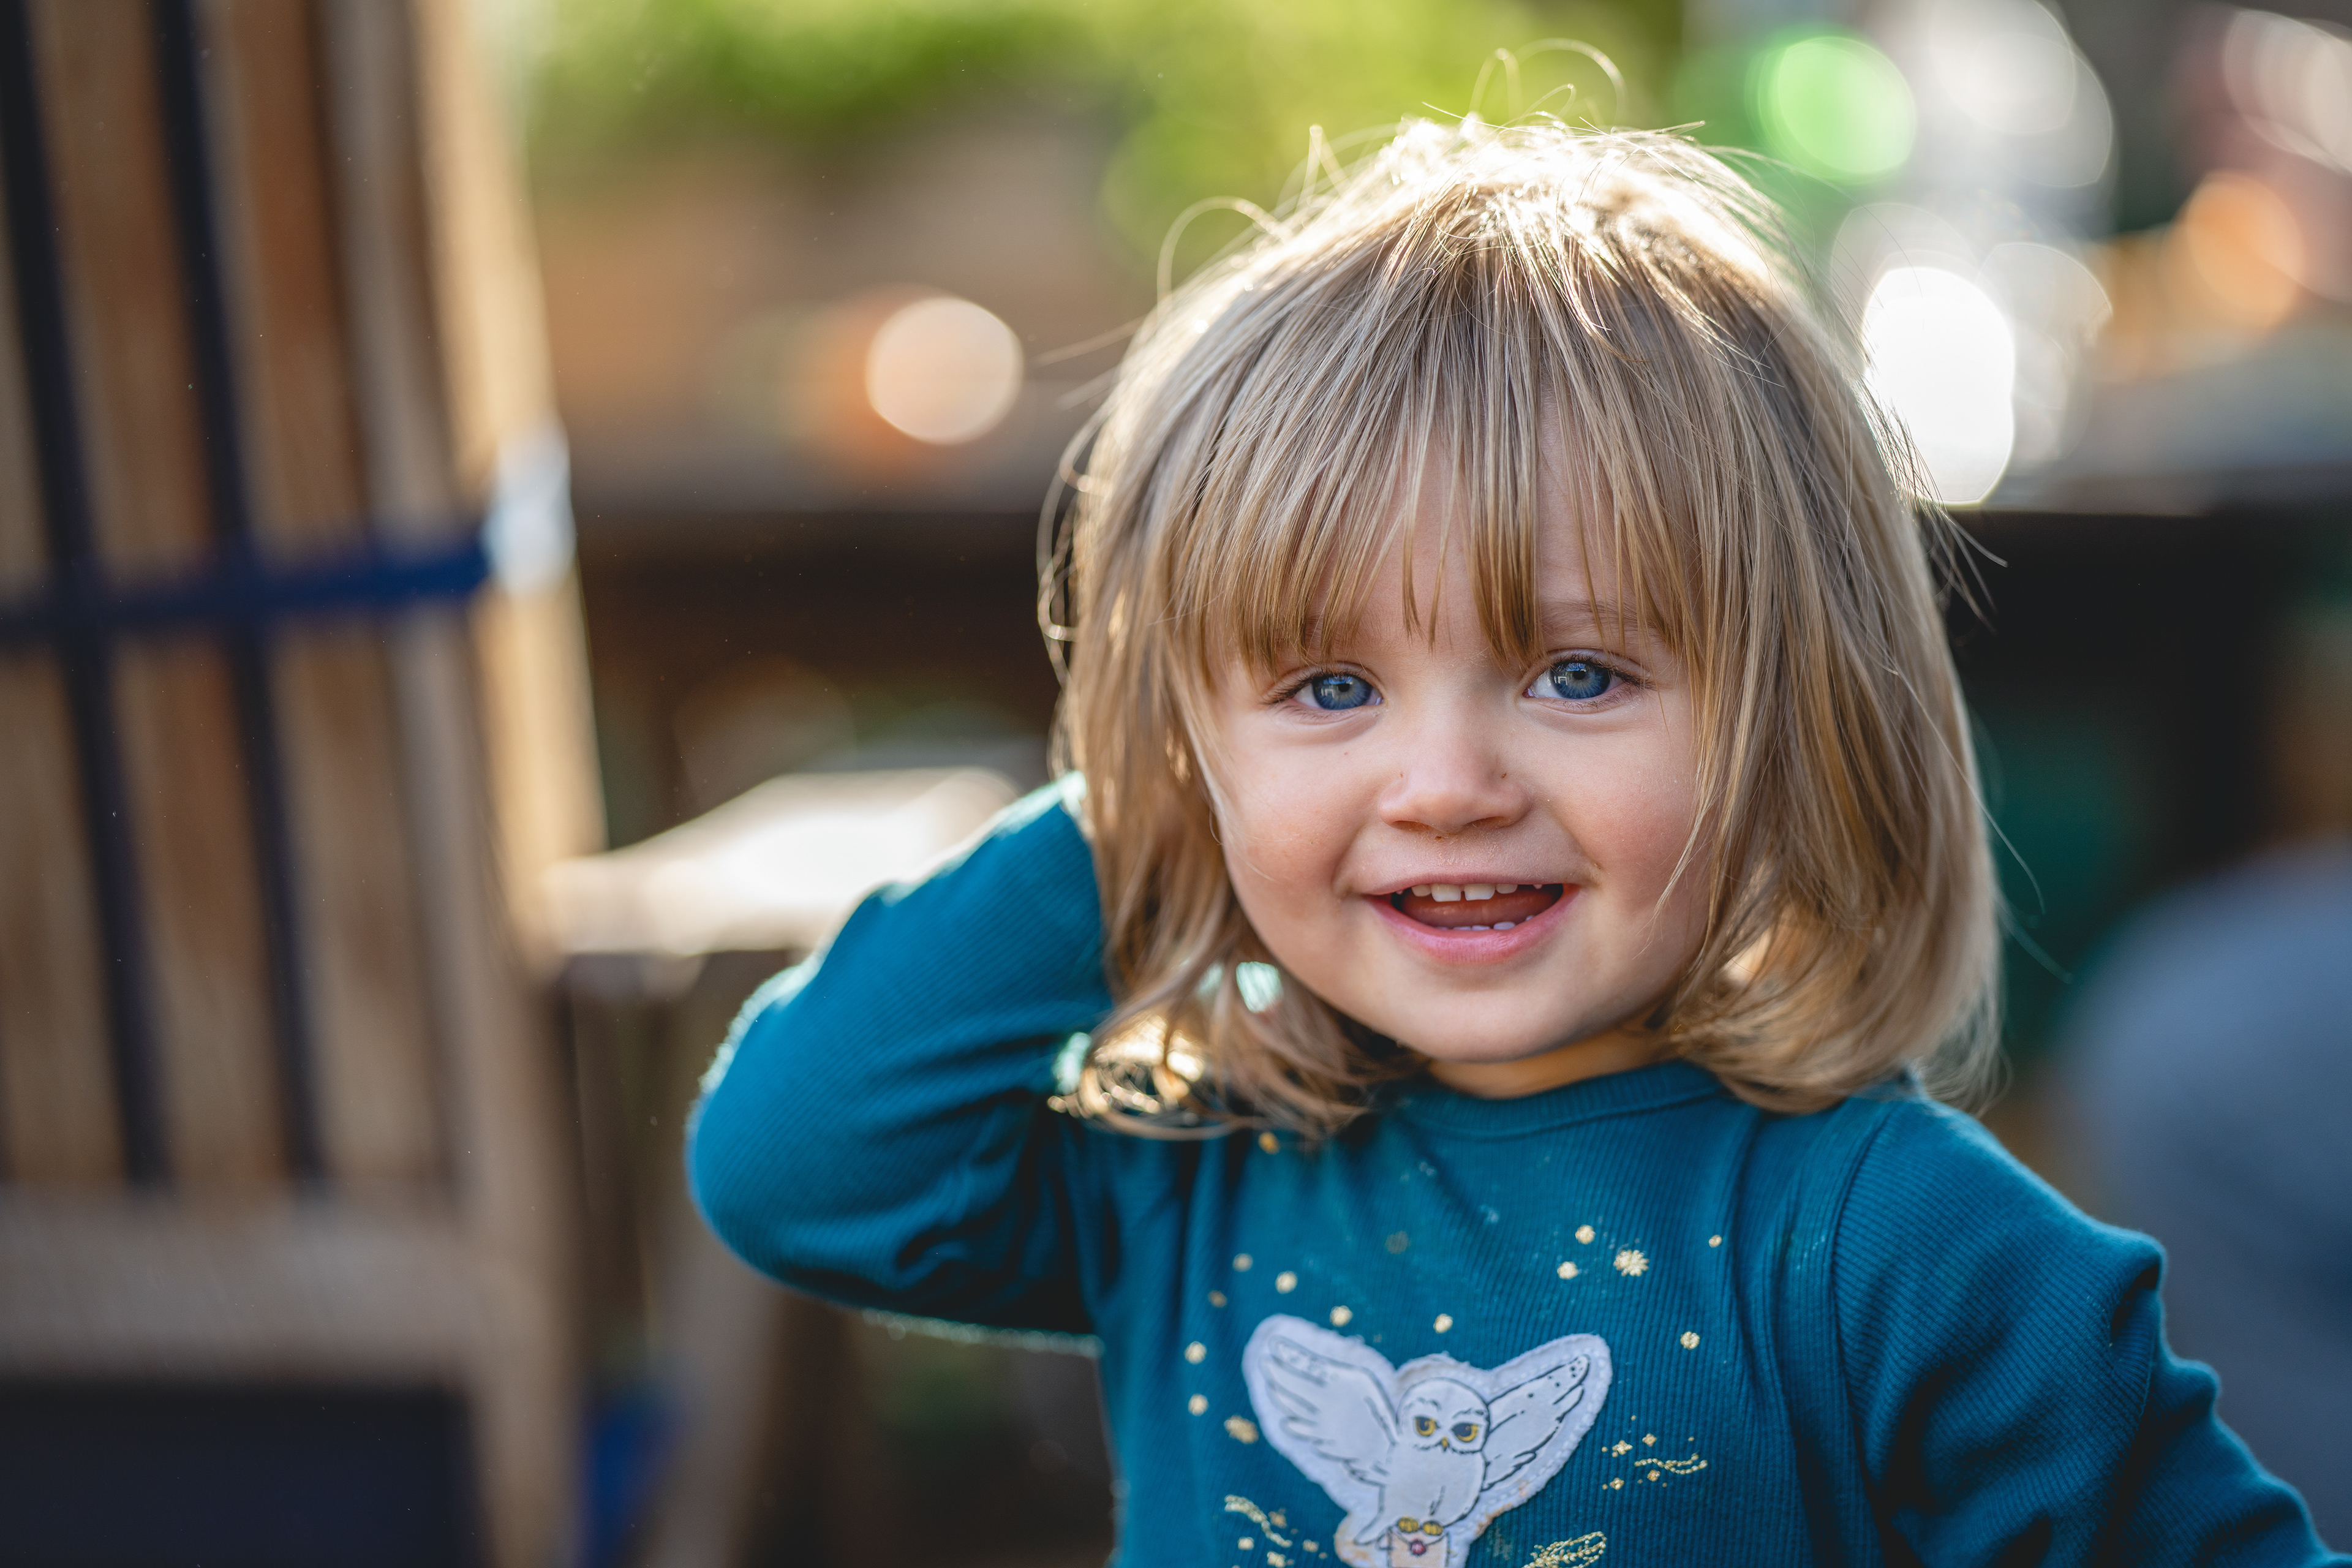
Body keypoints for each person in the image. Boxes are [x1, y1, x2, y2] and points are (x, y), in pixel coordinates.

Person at [688, 116, 2341, 1565]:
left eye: (1577, 675)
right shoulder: (1197, 1178)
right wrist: (1160, 812)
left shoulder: (1903, 1249)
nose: (1446, 784)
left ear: (1789, 721)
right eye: (1331, 687)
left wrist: (1272, 762)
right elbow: (795, 1163)